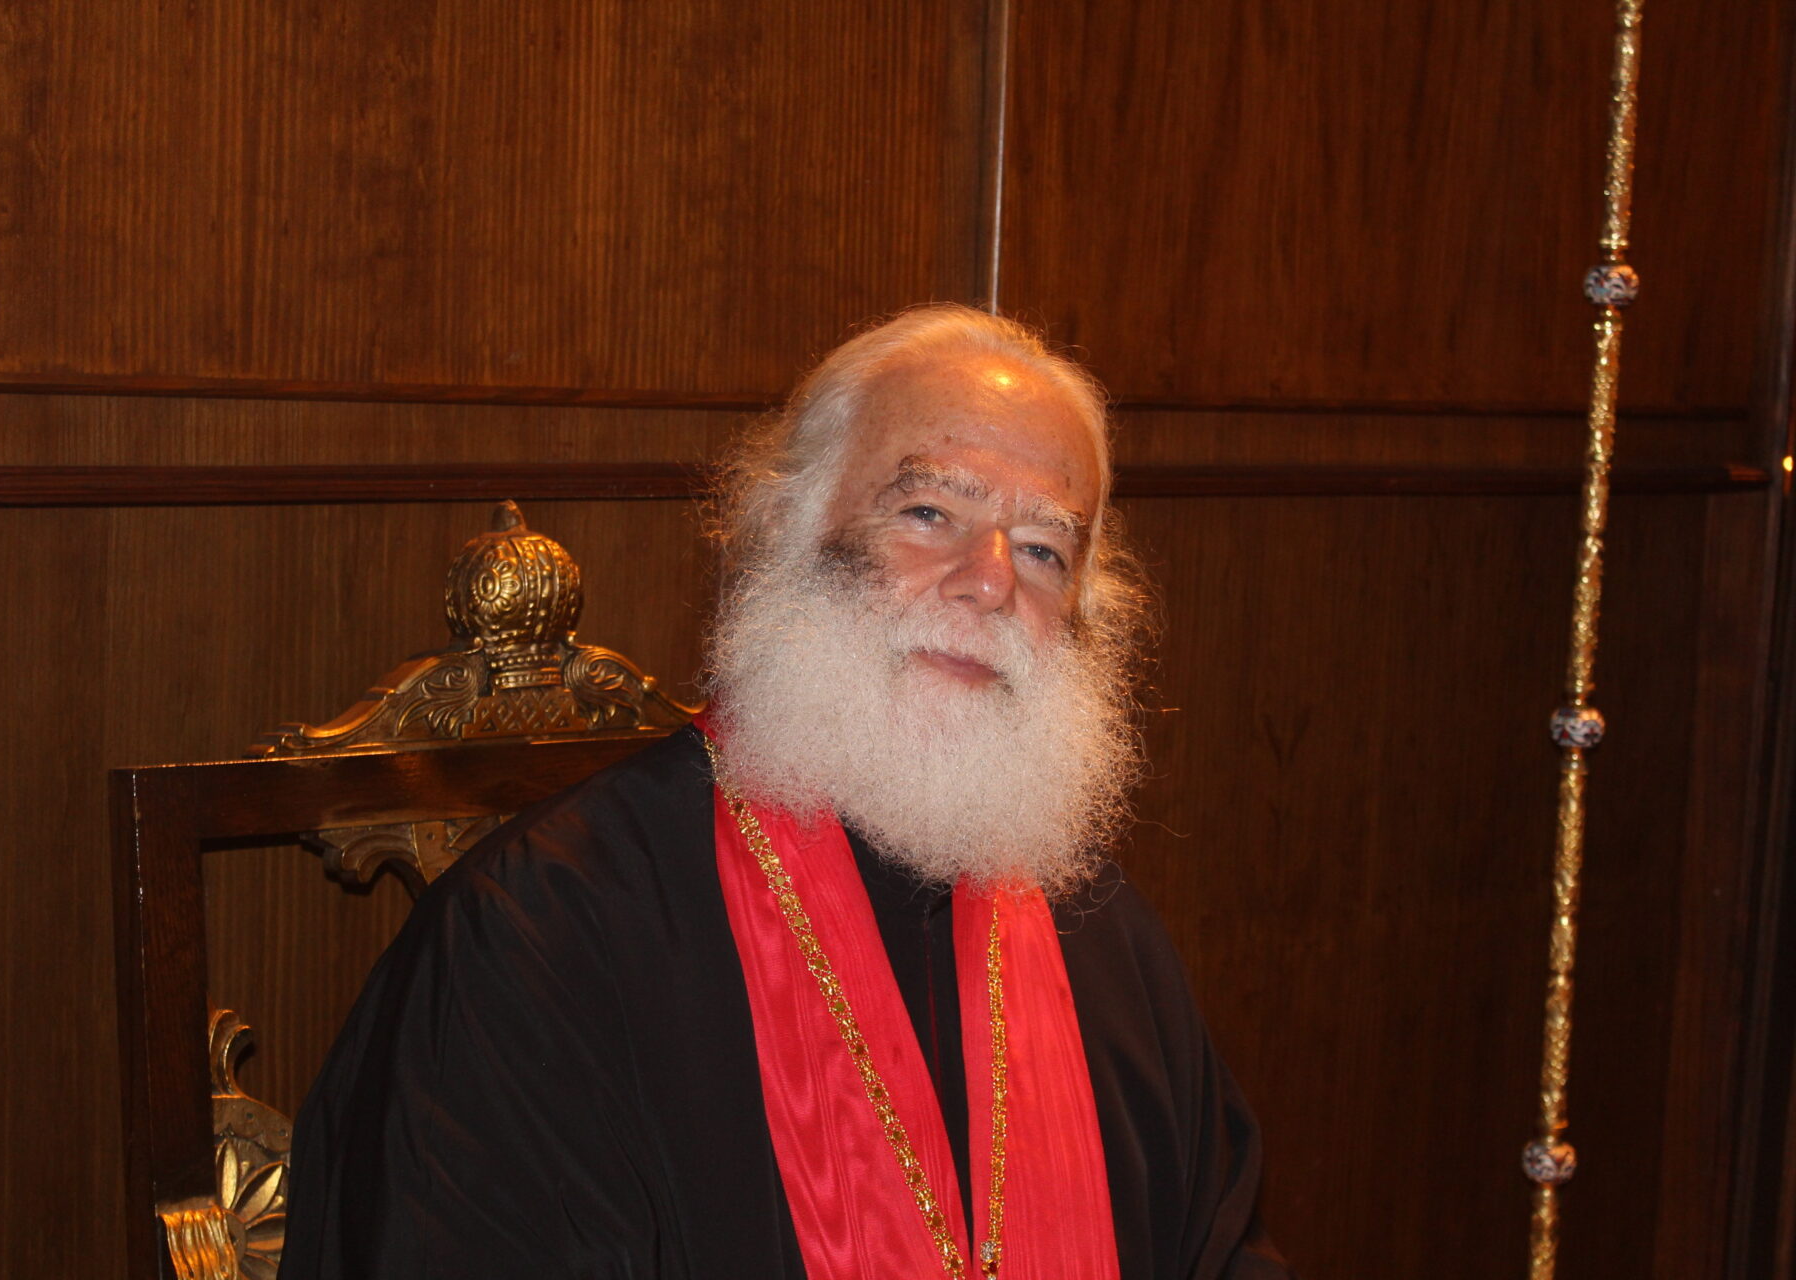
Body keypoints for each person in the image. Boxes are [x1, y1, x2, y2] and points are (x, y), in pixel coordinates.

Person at [281, 305, 1293, 1279]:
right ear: (786, 533)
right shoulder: (537, 939)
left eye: (1043, 549)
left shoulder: (1108, 946)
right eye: (929, 512)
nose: (991, 581)